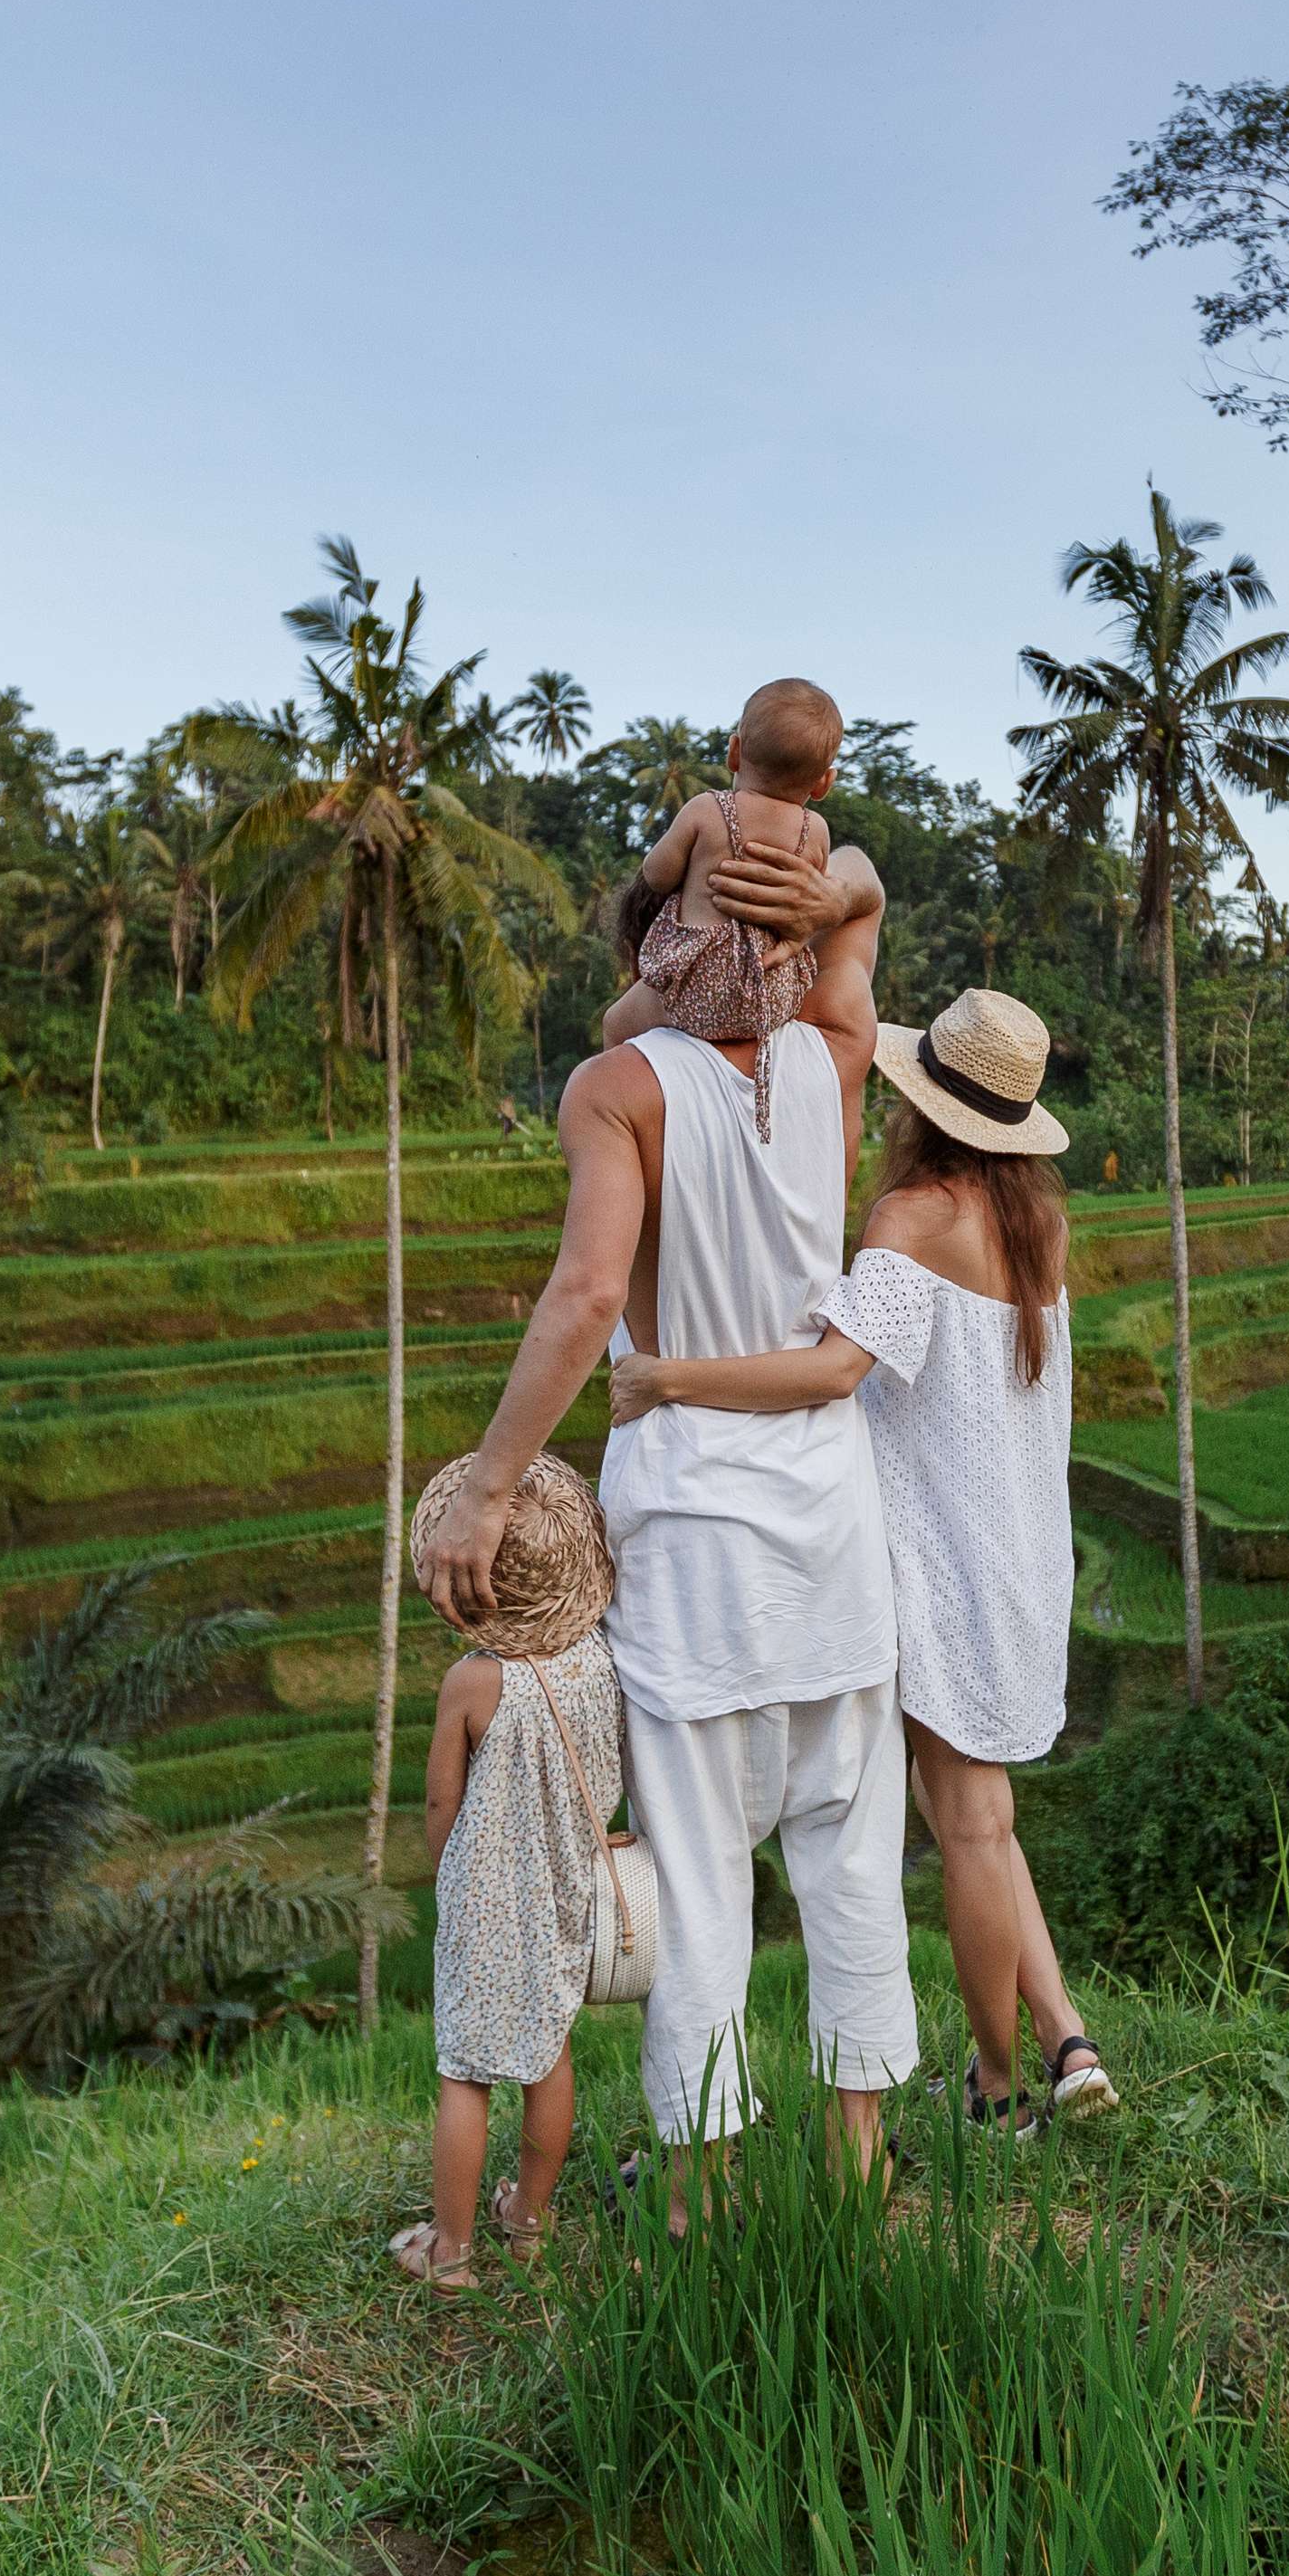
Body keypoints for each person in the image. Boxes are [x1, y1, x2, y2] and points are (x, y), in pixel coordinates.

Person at [415, 821, 907, 2176]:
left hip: (695, 1535)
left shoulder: (615, 1086)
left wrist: (490, 1490)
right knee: (851, 1859)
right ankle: (859, 2170)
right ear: (802, 946)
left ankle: (700, 2196)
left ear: (655, 944)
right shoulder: (842, 1056)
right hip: (832, 1529)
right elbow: (858, 907)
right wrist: (829, 887)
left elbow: (585, 1298)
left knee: (698, 1883)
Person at [613, 988, 1114, 2127]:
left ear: (919, 1103)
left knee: (970, 1826)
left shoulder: (913, 1217)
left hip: (939, 1560)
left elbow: (836, 1373)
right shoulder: (1035, 1224)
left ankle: (994, 2090)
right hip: (1025, 1550)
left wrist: (665, 1377)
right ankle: (1065, 2043)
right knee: (984, 1818)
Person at [392, 1450, 626, 2291]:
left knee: (467, 2069)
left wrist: (450, 1877)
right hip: (569, 1884)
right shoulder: (602, 1662)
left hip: (489, 1892)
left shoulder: (473, 1682)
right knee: (547, 2048)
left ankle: (448, 2252)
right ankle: (527, 2221)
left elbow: (437, 1807)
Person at [602, 680, 882, 1095]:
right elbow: (811, 893)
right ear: (824, 783)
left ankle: (621, 1089)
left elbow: (657, 877)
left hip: (698, 991)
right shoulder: (816, 830)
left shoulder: (706, 809)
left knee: (616, 1023)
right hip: (773, 996)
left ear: (734, 752)